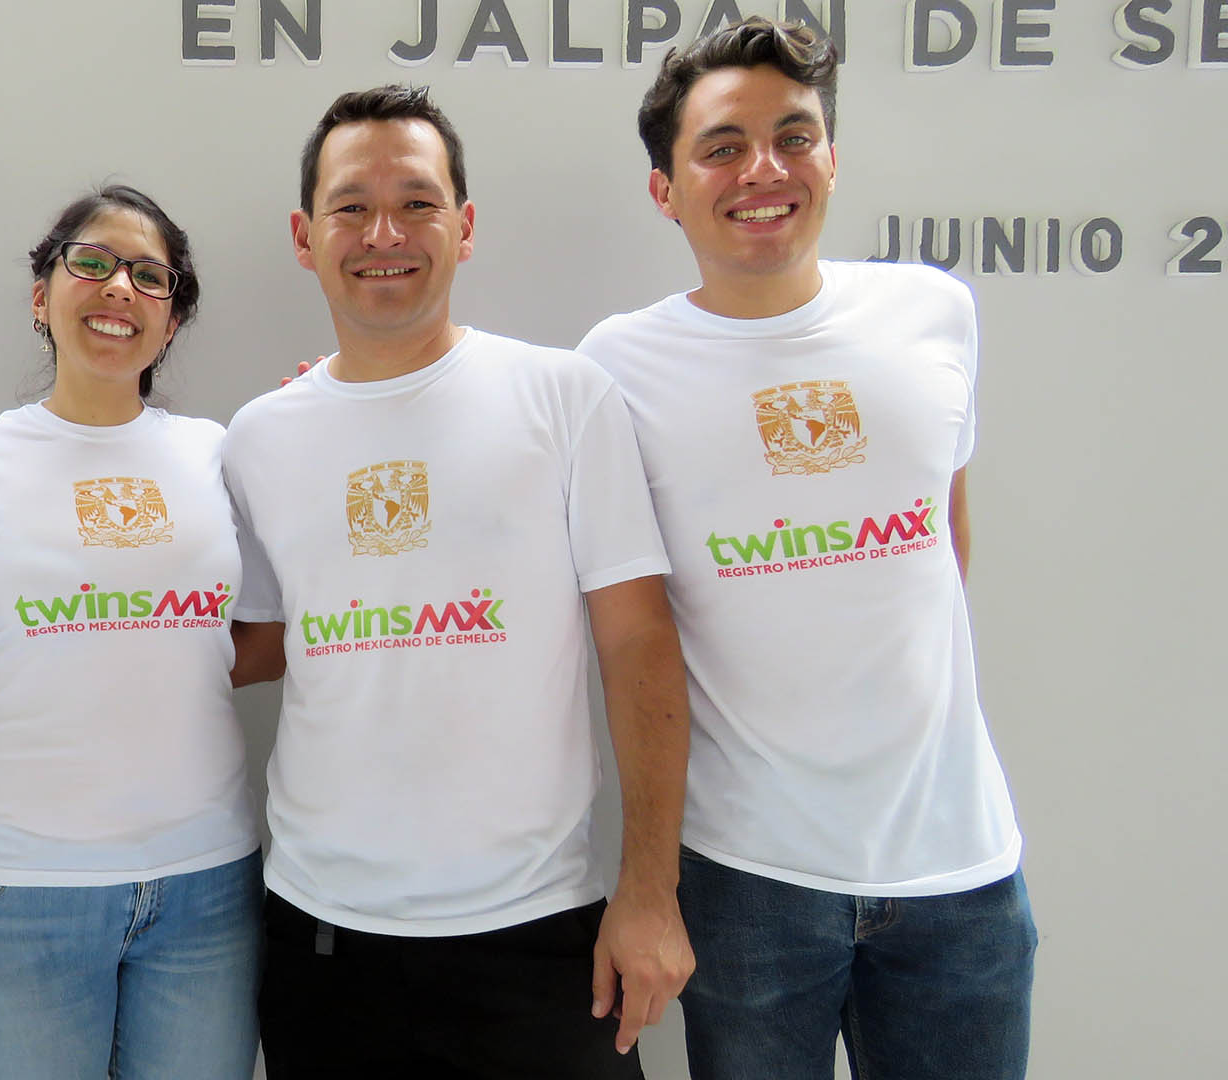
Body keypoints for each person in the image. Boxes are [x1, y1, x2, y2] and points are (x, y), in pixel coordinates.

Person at [578, 17, 1034, 1079]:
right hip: (749, 884)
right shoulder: (618, 366)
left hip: (961, 876)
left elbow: (939, 540)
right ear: (667, 188)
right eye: (723, 146)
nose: (764, 170)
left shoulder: (935, 314)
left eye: (795, 135)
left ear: (832, 156)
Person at [221, 85, 695, 1077]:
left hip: (539, 944)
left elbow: (640, 643)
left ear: (464, 226)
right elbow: (253, 644)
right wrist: (68, 623)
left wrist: (650, 890)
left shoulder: (565, 398)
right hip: (324, 946)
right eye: (351, 205)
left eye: (417, 201)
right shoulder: (259, 438)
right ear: (306, 237)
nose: (382, 231)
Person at [0, 185, 274, 1080]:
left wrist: (112, 642)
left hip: (204, 889)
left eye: (151, 277)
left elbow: (272, 637)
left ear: (173, 320)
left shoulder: (221, 454)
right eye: (92, 264)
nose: (119, 290)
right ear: (42, 294)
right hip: (14, 891)